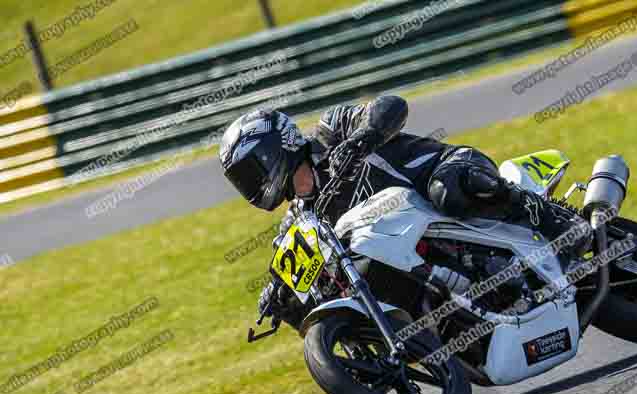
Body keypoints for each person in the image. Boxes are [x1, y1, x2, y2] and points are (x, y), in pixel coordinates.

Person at [219, 95, 563, 329]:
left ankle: (552, 219)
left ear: (277, 146)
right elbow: (316, 297)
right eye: (242, 180)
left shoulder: (331, 131)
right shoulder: (302, 220)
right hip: (422, 246)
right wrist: (283, 298)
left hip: (442, 171)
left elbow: (390, 106)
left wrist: (363, 135)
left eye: (253, 170)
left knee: (448, 193)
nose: (253, 183)